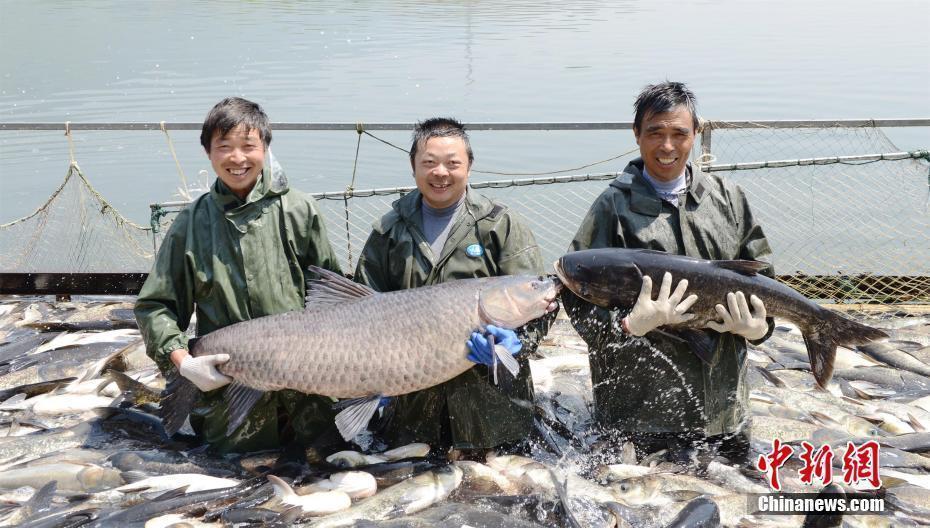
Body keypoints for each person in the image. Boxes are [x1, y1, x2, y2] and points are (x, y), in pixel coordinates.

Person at [563, 82, 775, 464]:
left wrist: (759, 329)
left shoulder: (728, 198)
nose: (667, 146)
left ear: (696, 134)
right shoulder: (611, 207)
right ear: (636, 135)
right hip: (642, 413)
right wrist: (629, 326)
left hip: (723, 407)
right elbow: (576, 300)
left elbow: (766, 280)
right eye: (655, 133)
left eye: (679, 134)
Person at [135, 97, 344, 454]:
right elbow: (156, 306)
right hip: (229, 398)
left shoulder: (298, 209)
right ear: (208, 152)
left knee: (319, 474)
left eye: (249, 146)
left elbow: (331, 295)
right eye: (225, 147)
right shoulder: (190, 224)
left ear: (265, 148)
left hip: (308, 396)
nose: (237, 158)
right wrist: (184, 363)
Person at [354, 117, 550, 455]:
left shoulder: (500, 225)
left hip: (493, 415)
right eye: (429, 163)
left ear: (469, 166)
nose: (440, 173)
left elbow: (542, 306)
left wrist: (516, 342)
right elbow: (358, 310)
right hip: (412, 412)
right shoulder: (388, 230)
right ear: (413, 166)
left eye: (452, 163)